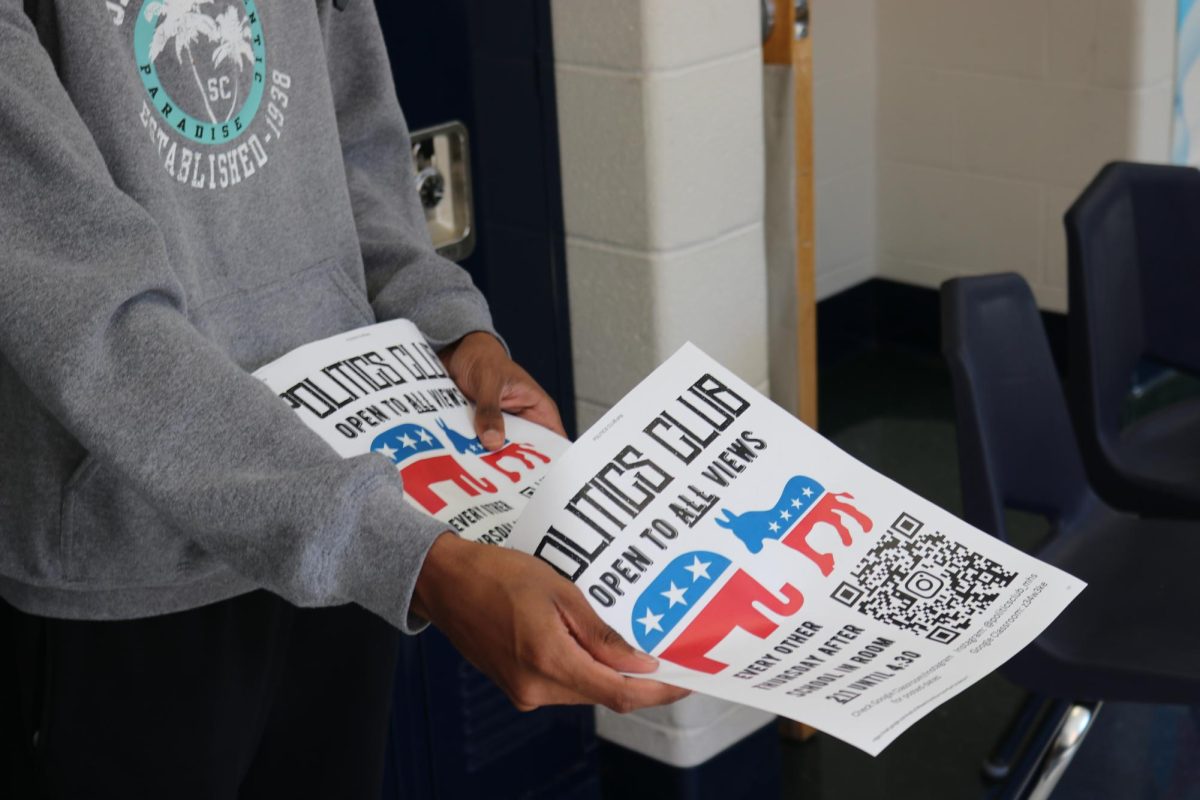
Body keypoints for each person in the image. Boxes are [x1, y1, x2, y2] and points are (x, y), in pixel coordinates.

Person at [0, 1, 686, 797]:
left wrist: (447, 324)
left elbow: (358, 146)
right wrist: (414, 561)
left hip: (350, 522)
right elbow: (88, 314)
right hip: (130, 578)